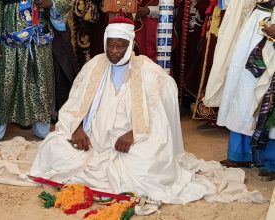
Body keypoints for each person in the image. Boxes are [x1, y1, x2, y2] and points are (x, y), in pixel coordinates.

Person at [30, 16, 265, 204]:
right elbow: (74, 104)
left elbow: (160, 117)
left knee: (146, 166)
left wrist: (135, 133)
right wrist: (76, 128)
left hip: (130, 138)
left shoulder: (149, 72)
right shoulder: (94, 65)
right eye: (110, 45)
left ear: (130, 45)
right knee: (53, 147)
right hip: (91, 138)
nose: (114, 51)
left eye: (120, 46)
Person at [0, 0, 71, 151]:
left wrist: (52, 3)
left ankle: (42, 131)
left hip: (39, 39)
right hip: (9, 40)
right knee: (3, 85)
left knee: (41, 84)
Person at [204, 0, 275, 180]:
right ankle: (240, 154)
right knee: (243, 88)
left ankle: (270, 161)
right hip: (257, 22)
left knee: (268, 94)